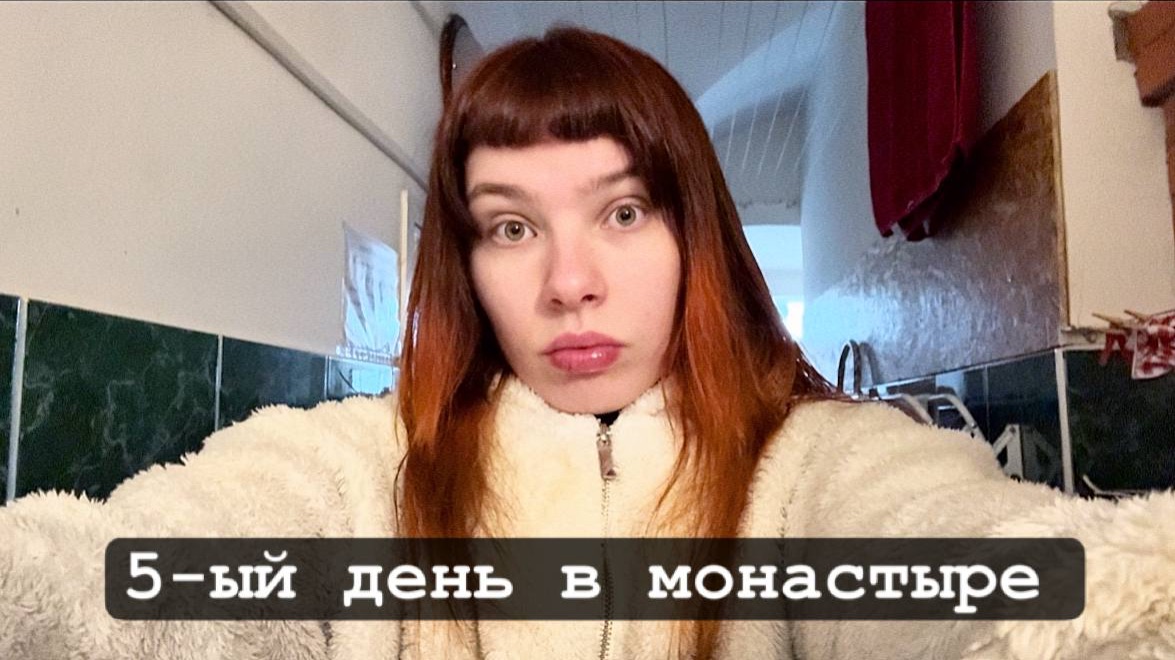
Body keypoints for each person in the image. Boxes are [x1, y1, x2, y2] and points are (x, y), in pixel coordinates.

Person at [2, 26, 1173, 660]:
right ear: (464, 263)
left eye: (622, 212)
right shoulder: (366, 466)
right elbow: (128, 584)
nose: (568, 283)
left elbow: (994, 581)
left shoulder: (814, 466)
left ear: (695, 234)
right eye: (510, 227)